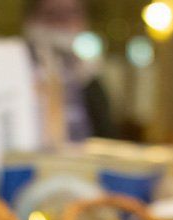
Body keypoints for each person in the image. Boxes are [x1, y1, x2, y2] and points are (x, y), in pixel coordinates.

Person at [23, 0, 115, 141]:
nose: (62, 21)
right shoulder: (22, 69)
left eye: (72, 13)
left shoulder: (88, 74)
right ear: (32, 18)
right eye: (52, 13)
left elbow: (106, 132)